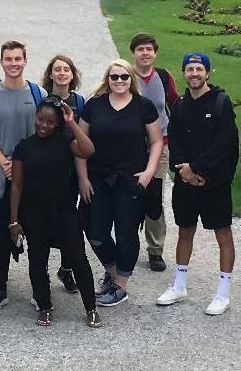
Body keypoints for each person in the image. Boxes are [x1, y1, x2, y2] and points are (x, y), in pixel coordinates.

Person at [77, 59, 163, 307]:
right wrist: (83, 178)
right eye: (114, 77)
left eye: (124, 77)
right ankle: (113, 273)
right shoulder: (94, 106)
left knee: (126, 234)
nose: (119, 82)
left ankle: (121, 285)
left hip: (130, 179)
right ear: (107, 79)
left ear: (131, 80)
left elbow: (156, 141)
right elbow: (80, 144)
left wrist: (148, 173)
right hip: (99, 178)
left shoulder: (143, 106)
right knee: (96, 232)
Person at [10, 97, 102, 329]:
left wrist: (72, 123)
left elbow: (88, 150)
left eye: (50, 122)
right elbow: (17, 185)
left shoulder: (66, 141)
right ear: (35, 118)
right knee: (37, 260)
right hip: (33, 211)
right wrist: (14, 221)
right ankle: (45, 306)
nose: (44, 125)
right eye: (41, 120)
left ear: (57, 123)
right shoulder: (24, 146)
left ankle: (91, 308)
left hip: (63, 209)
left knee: (78, 258)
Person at [157, 52, 238, 316]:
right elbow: (175, 139)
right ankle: (179, 285)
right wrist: (184, 170)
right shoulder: (179, 104)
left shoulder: (221, 103)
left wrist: (197, 168)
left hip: (214, 183)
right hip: (186, 181)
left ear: (207, 73)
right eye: (190, 69)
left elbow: (224, 144)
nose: (194, 74)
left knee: (223, 235)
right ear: (183, 73)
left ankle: (222, 293)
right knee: (185, 231)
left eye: (199, 69)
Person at [0, 40, 45, 312]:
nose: (13, 64)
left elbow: (46, 130)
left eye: (18, 59)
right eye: (8, 59)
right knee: (1, 233)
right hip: (0, 175)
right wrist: (6, 163)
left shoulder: (38, 94)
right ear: (1, 63)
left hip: (33, 175)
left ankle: (40, 288)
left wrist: (23, 165)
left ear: (25, 61)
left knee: (37, 233)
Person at [129, 33, 179, 273]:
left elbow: (175, 105)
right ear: (133, 53)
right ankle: (127, 245)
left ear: (155, 53)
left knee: (154, 198)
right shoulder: (125, 76)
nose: (145, 53)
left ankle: (155, 249)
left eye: (149, 49)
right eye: (140, 49)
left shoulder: (162, 76)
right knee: (128, 196)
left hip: (161, 147)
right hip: (130, 147)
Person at [39, 54, 86, 295]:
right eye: (57, 69)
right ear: (50, 74)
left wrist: (83, 177)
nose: (61, 73)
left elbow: (85, 139)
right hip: (47, 169)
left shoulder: (79, 101)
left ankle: (66, 268)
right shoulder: (42, 99)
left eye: (66, 69)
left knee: (71, 224)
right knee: (44, 222)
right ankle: (42, 271)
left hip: (70, 169)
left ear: (72, 74)